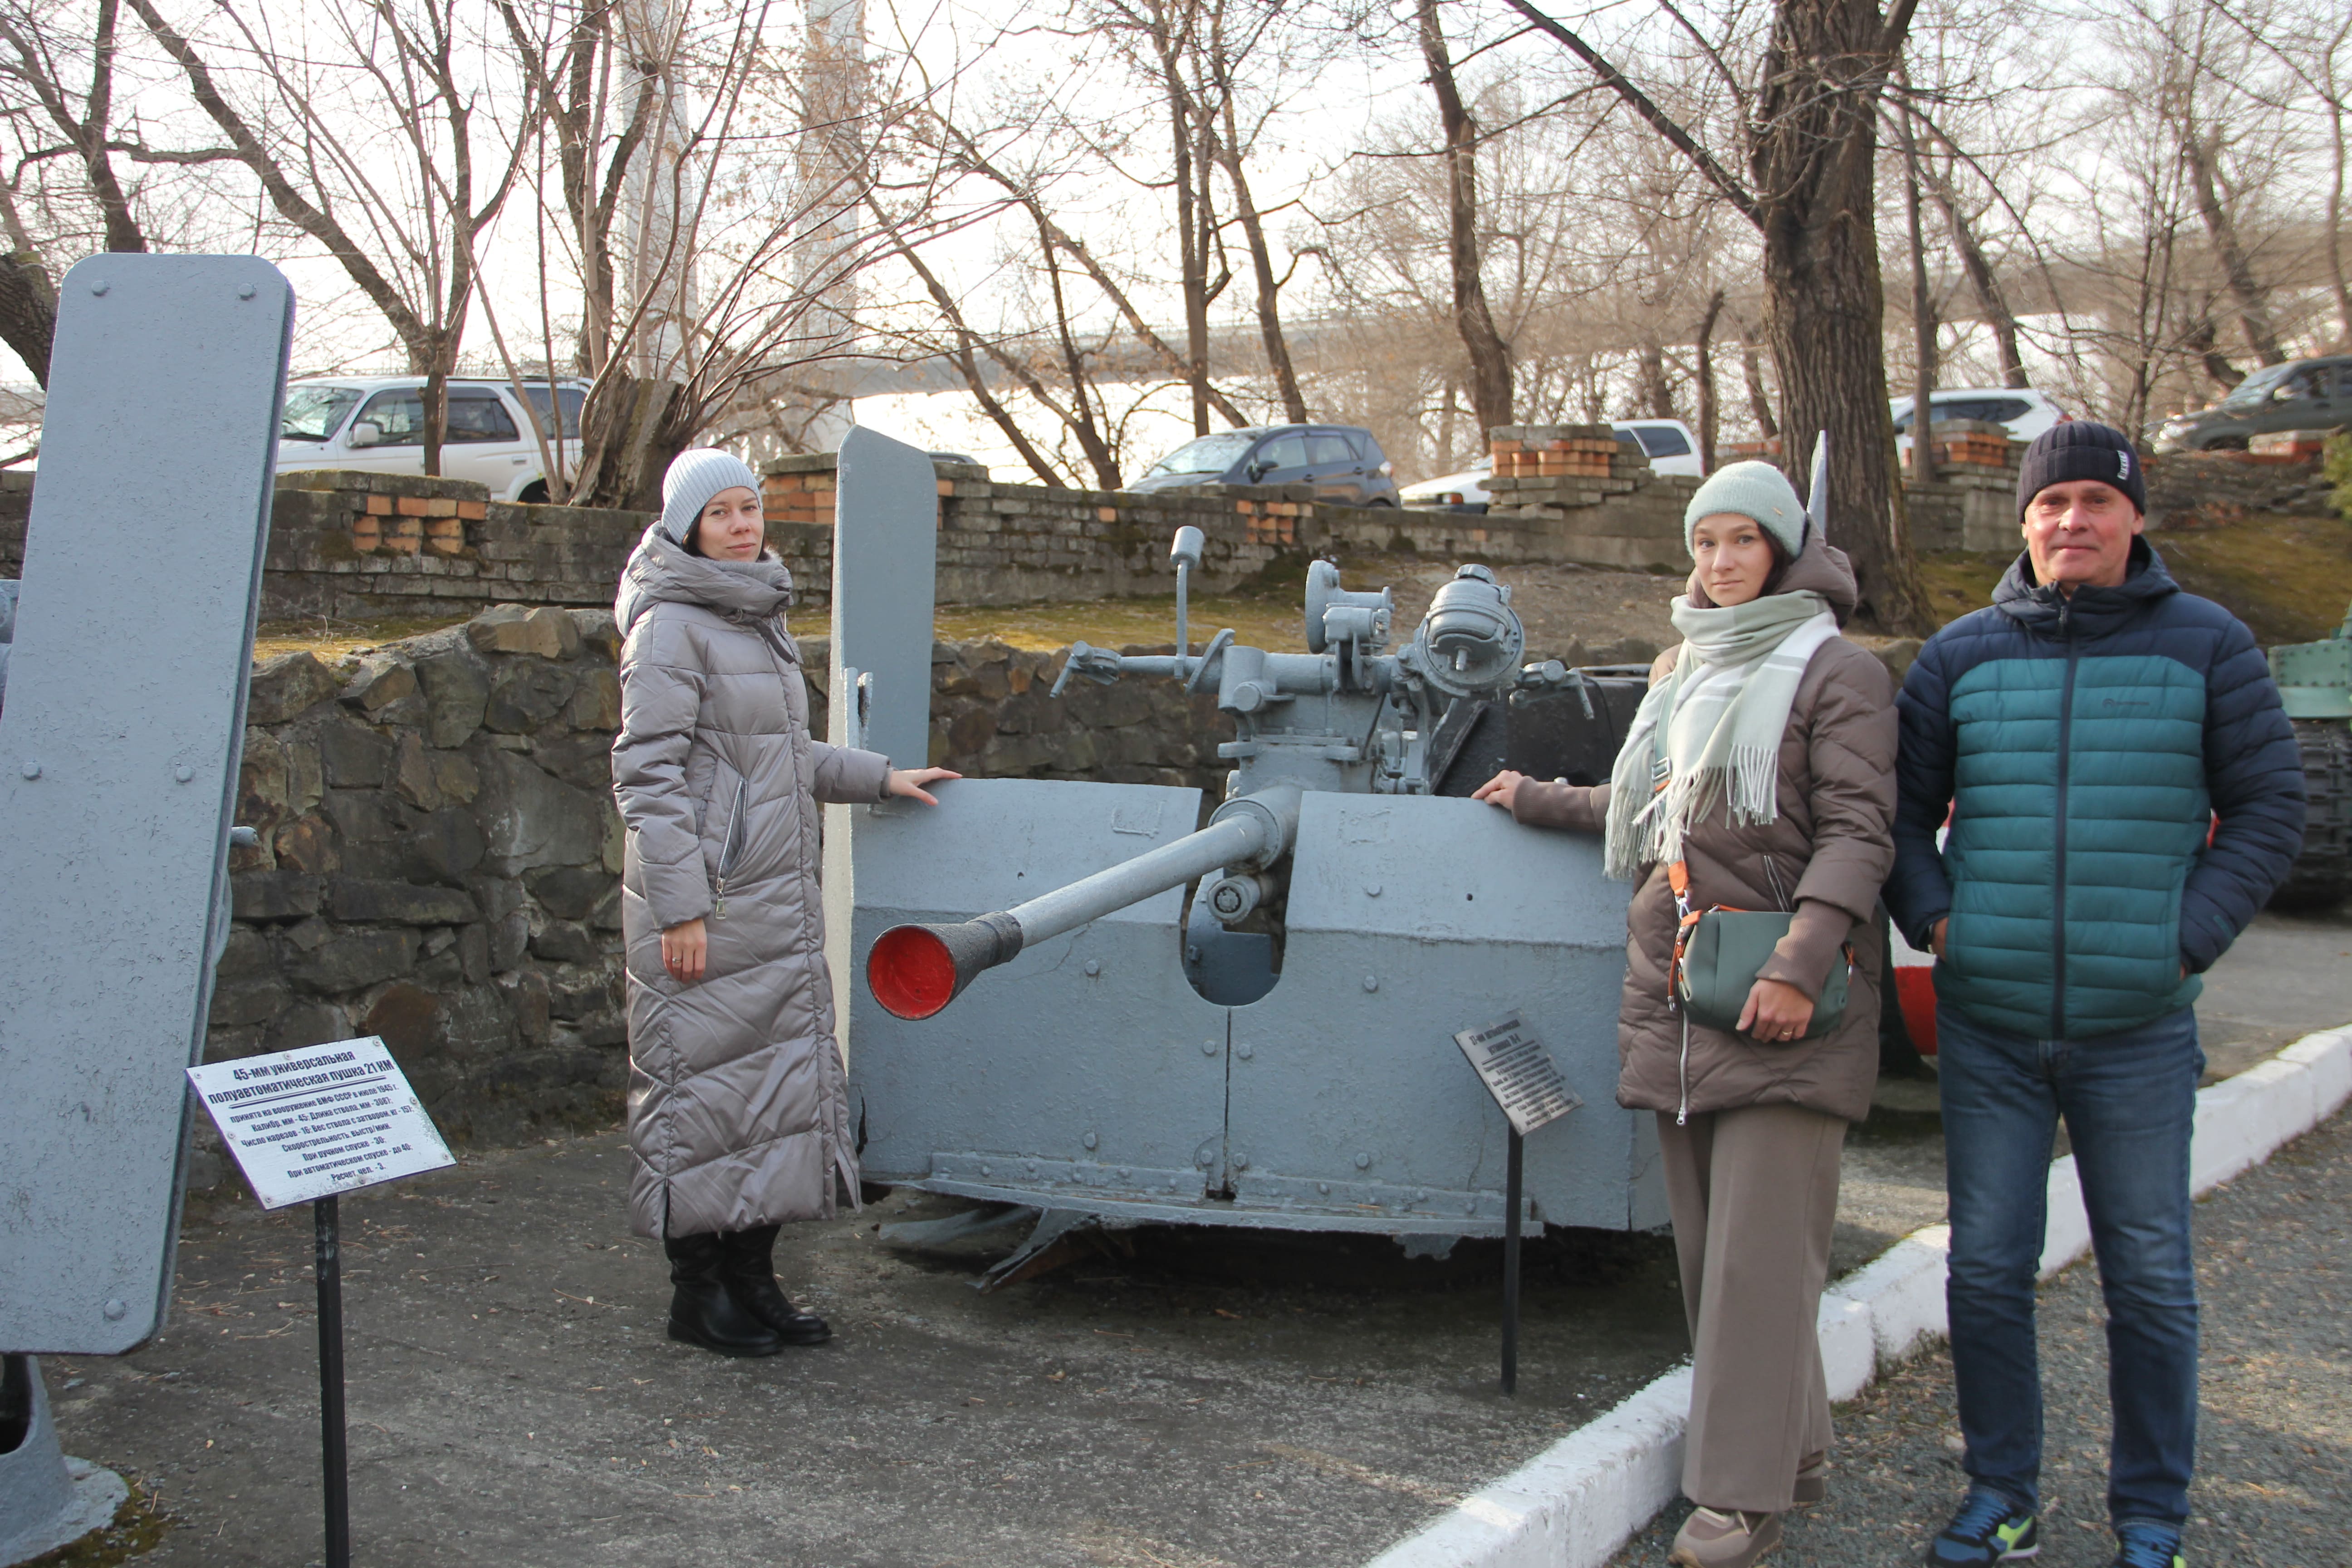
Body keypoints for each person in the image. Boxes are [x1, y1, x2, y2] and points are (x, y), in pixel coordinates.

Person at [1886, 422, 2304, 1568]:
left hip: (2139, 1031)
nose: (2072, 521)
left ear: (2133, 517)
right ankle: (2002, 1496)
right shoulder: (1960, 655)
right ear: (2025, 521)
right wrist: (1939, 924)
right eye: (2051, 502)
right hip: (1993, 1026)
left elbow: (2271, 811)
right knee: (1986, 1271)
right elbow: (1900, 820)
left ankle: (2151, 1515)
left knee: (2154, 1280)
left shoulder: (2210, 646)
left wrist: (2186, 939)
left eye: (2094, 502)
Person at [1476, 460, 1897, 1568]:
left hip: (1781, 992)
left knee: (1760, 1261)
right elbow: (1655, 804)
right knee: (1722, 1256)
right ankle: (1793, 1452)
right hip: (1681, 994)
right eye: (1704, 542)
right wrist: (1536, 798)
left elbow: (1860, 833)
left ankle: (1734, 1497)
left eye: (1742, 542)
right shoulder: (1687, 665)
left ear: (1784, 552)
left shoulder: (1835, 671)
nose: (1718, 563)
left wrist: (1801, 966)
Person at [611, 448, 958, 1358]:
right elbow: (646, 776)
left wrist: (878, 777)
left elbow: (777, 760)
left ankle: (755, 1281)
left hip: (772, 903)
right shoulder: (670, 627)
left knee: (769, 1101)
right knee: (700, 1101)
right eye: (721, 513)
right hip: (710, 907)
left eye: (748, 509)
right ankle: (699, 1297)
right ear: (687, 526)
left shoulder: (752, 614)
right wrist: (682, 908)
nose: (741, 525)